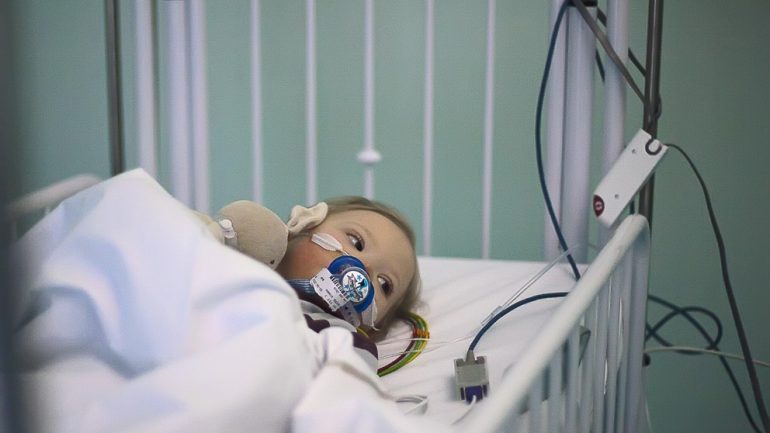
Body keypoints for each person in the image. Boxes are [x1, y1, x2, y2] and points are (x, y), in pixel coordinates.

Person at [276, 196, 422, 369]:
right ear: (303, 222)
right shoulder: (249, 261)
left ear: (374, 329)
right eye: (356, 242)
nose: (366, 270)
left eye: (384, 284)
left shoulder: (346, 345)